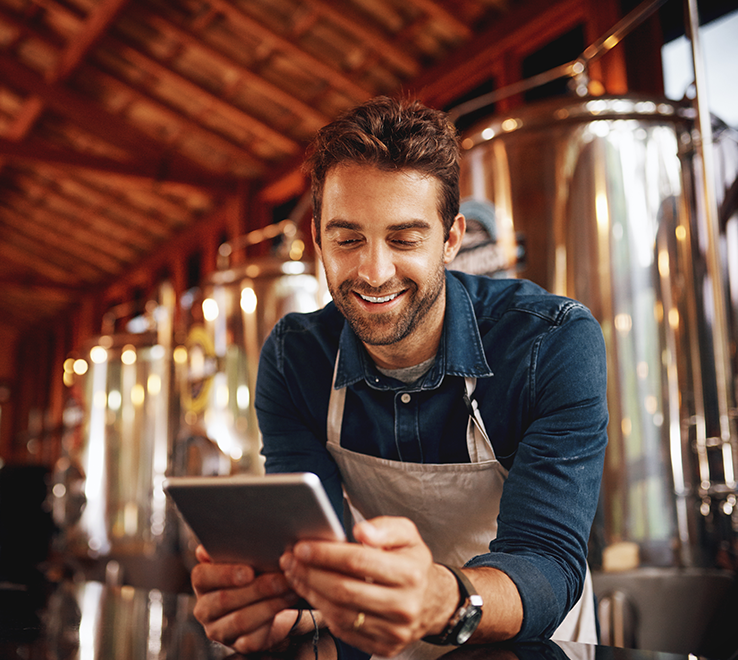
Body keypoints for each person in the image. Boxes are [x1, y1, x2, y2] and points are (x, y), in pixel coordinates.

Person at [191, 96, 608, 659]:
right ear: (318, 240)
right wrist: (273, 606)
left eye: (405, 239)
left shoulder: (549, 344)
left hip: (529, 644)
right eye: (348, 239)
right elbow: (317, 547)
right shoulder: (296, 359)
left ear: (451, 239)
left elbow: (546, 559)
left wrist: (443, 601)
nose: (374, 272)